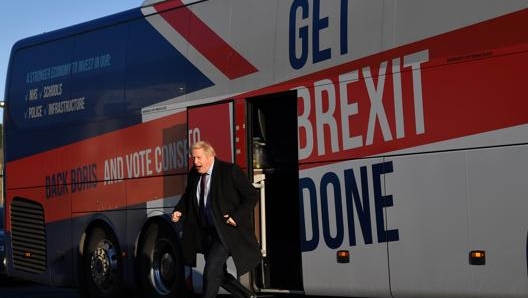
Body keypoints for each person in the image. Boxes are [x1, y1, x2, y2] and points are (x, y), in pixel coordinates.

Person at [172, 141, 261, 298]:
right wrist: (179, 210)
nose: (195, 162)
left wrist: (236, 216)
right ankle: (247, 296)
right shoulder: (194, 173)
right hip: (206, 232)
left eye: (198, 158)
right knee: (219, 273)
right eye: (193, 158)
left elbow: (252, 195)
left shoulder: (229, 171)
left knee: (211, 270)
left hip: (225, 231)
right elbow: (188, 196)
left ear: (210, 156)